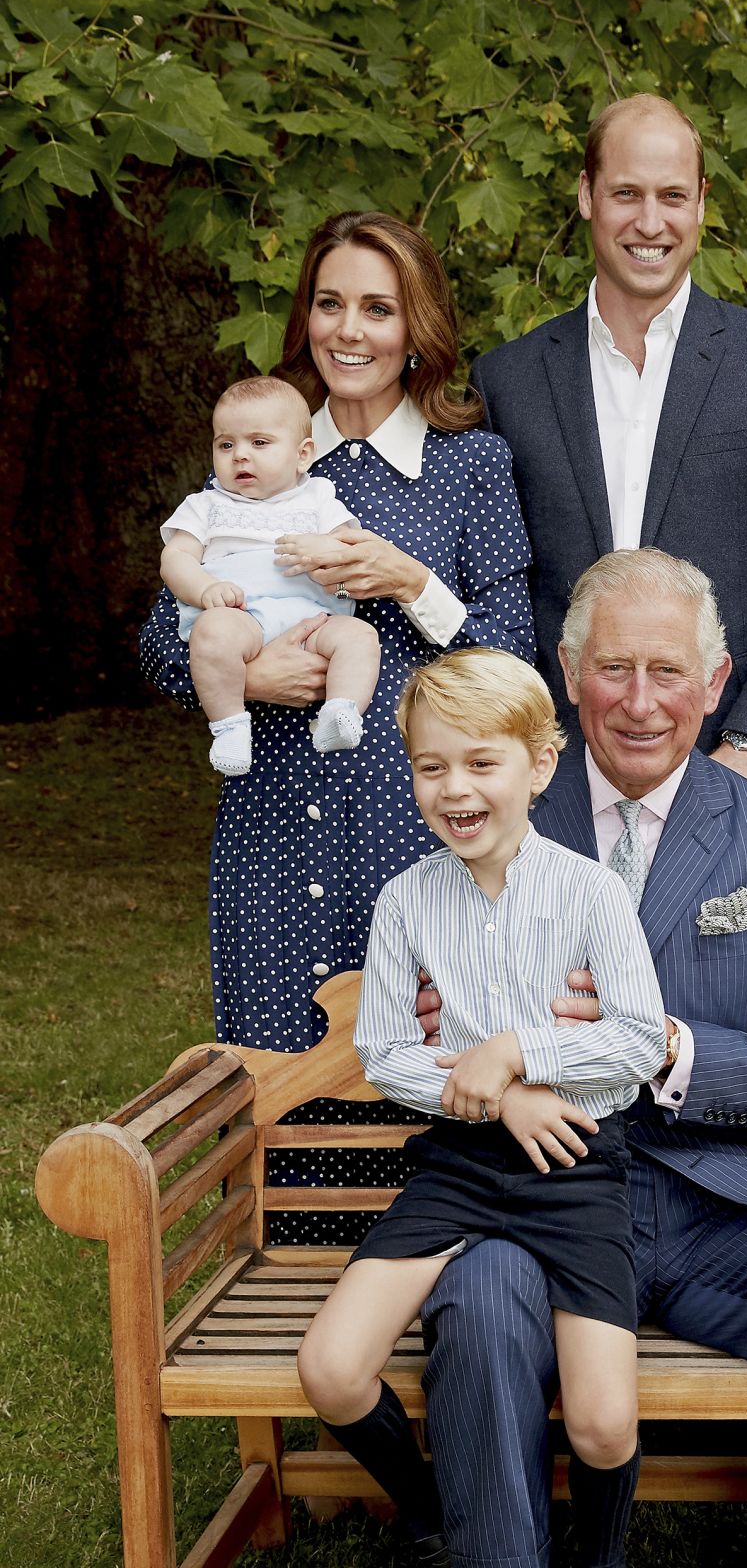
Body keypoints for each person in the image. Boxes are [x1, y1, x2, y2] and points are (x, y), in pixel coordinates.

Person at [418, 549, 747, 1568]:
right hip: (535, 1192)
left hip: (721, 1196)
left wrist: (657, 1043)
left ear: (715, 683)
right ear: (566, 671)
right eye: (613, 669)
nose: (640, 703)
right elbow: (433, 1024)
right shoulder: (483, 817)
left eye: (667, 673)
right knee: (476, 1305)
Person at [140, 210, 534, 1239]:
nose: (348, 329)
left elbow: (514, 653)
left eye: (377, 306)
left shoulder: (470, 467)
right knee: (283, 1099)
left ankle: (447, 1343)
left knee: (436, 1087)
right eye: (328, 303)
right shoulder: (259, 449)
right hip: (270, 832)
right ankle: (305, 1344)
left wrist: (411, 582)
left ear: (417, 327)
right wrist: (246, 672)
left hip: (416, 841)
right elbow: (154, 638)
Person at [297, 649, 666, 1568]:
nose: (455, 788)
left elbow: (634, 1043)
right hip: (460, 1165)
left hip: (578, 1165)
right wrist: (499, 1097)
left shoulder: (594, 893)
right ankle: (427, 1516)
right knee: (332, 1370)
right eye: (432, 766)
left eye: (481, 762)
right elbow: (386, 1054)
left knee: (605, 1427)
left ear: (540, 765)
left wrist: (518, 1052)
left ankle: (601, 1548)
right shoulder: (406, 903)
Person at [470, 93, 747, 781]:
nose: (651, 222)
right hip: (557, 777)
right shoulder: (506, 382)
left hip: (733, 769)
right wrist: (530, 743)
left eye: (673, 195)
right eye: (626, 193)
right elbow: (501, 589)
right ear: (587, 194)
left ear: (702, 202)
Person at [159, 376, 380, 776]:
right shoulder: (206, 505)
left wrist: (327, 549)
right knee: (212, 635)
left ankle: (342, 710)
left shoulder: (319, 499)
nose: (240, 455)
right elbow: (174, 559)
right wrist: (205, 588)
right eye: (226, 444)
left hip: (313, 619)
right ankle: (229, 725)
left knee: (360, 637)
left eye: (259, 443)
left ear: (302, 455)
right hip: (239, 615)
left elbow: (351, 549)